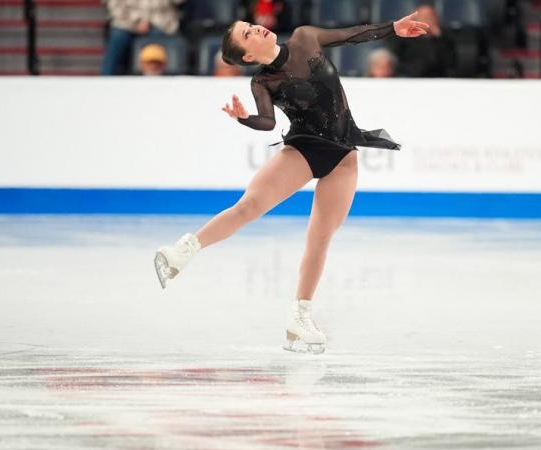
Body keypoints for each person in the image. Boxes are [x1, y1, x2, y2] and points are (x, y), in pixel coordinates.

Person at [153, 12, 430, 354]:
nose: (255, 27)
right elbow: (267, 122)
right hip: (304, 148)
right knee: (249, 206)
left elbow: (351, 34)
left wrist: (393, 29)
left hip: (343, 155)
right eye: (247, 33)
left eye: (250, 25)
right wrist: (244, 118)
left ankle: (299, 318)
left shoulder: (305, 37)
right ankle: (182, 251)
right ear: (249, 55)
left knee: (320, 238)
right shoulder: (263, 82)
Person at [101, 0, 183, 75]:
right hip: (126, 23)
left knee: (166, 44)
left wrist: (148, 21)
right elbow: (115, 7)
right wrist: (136, 22)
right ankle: (106, 82)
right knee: (117, 37)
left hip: (160, 24)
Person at [388, 2, 457, 77]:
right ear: (416, 20)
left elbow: (451, 63)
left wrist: (440, 38)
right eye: (424, 17)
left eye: (431, 17)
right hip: (411, 78)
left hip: (438, 79)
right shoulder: (405, 38)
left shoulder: (445, 39)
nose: (428, 21)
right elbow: (397, 61)